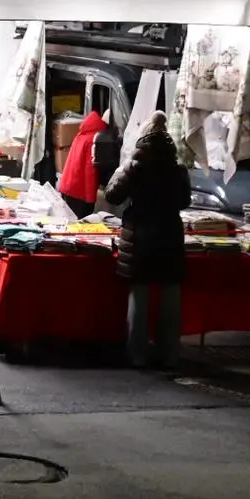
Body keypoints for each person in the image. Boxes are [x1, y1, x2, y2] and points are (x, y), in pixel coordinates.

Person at [103, 111, 191, 369]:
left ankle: (137, 355)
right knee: (170, 299)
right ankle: (170, 355)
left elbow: (112, 196)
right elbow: (184, 202)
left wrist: (123, 170)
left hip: (139, 237)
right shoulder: (178, 169)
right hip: (170, 236)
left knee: (138, 298)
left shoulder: (134, 166)